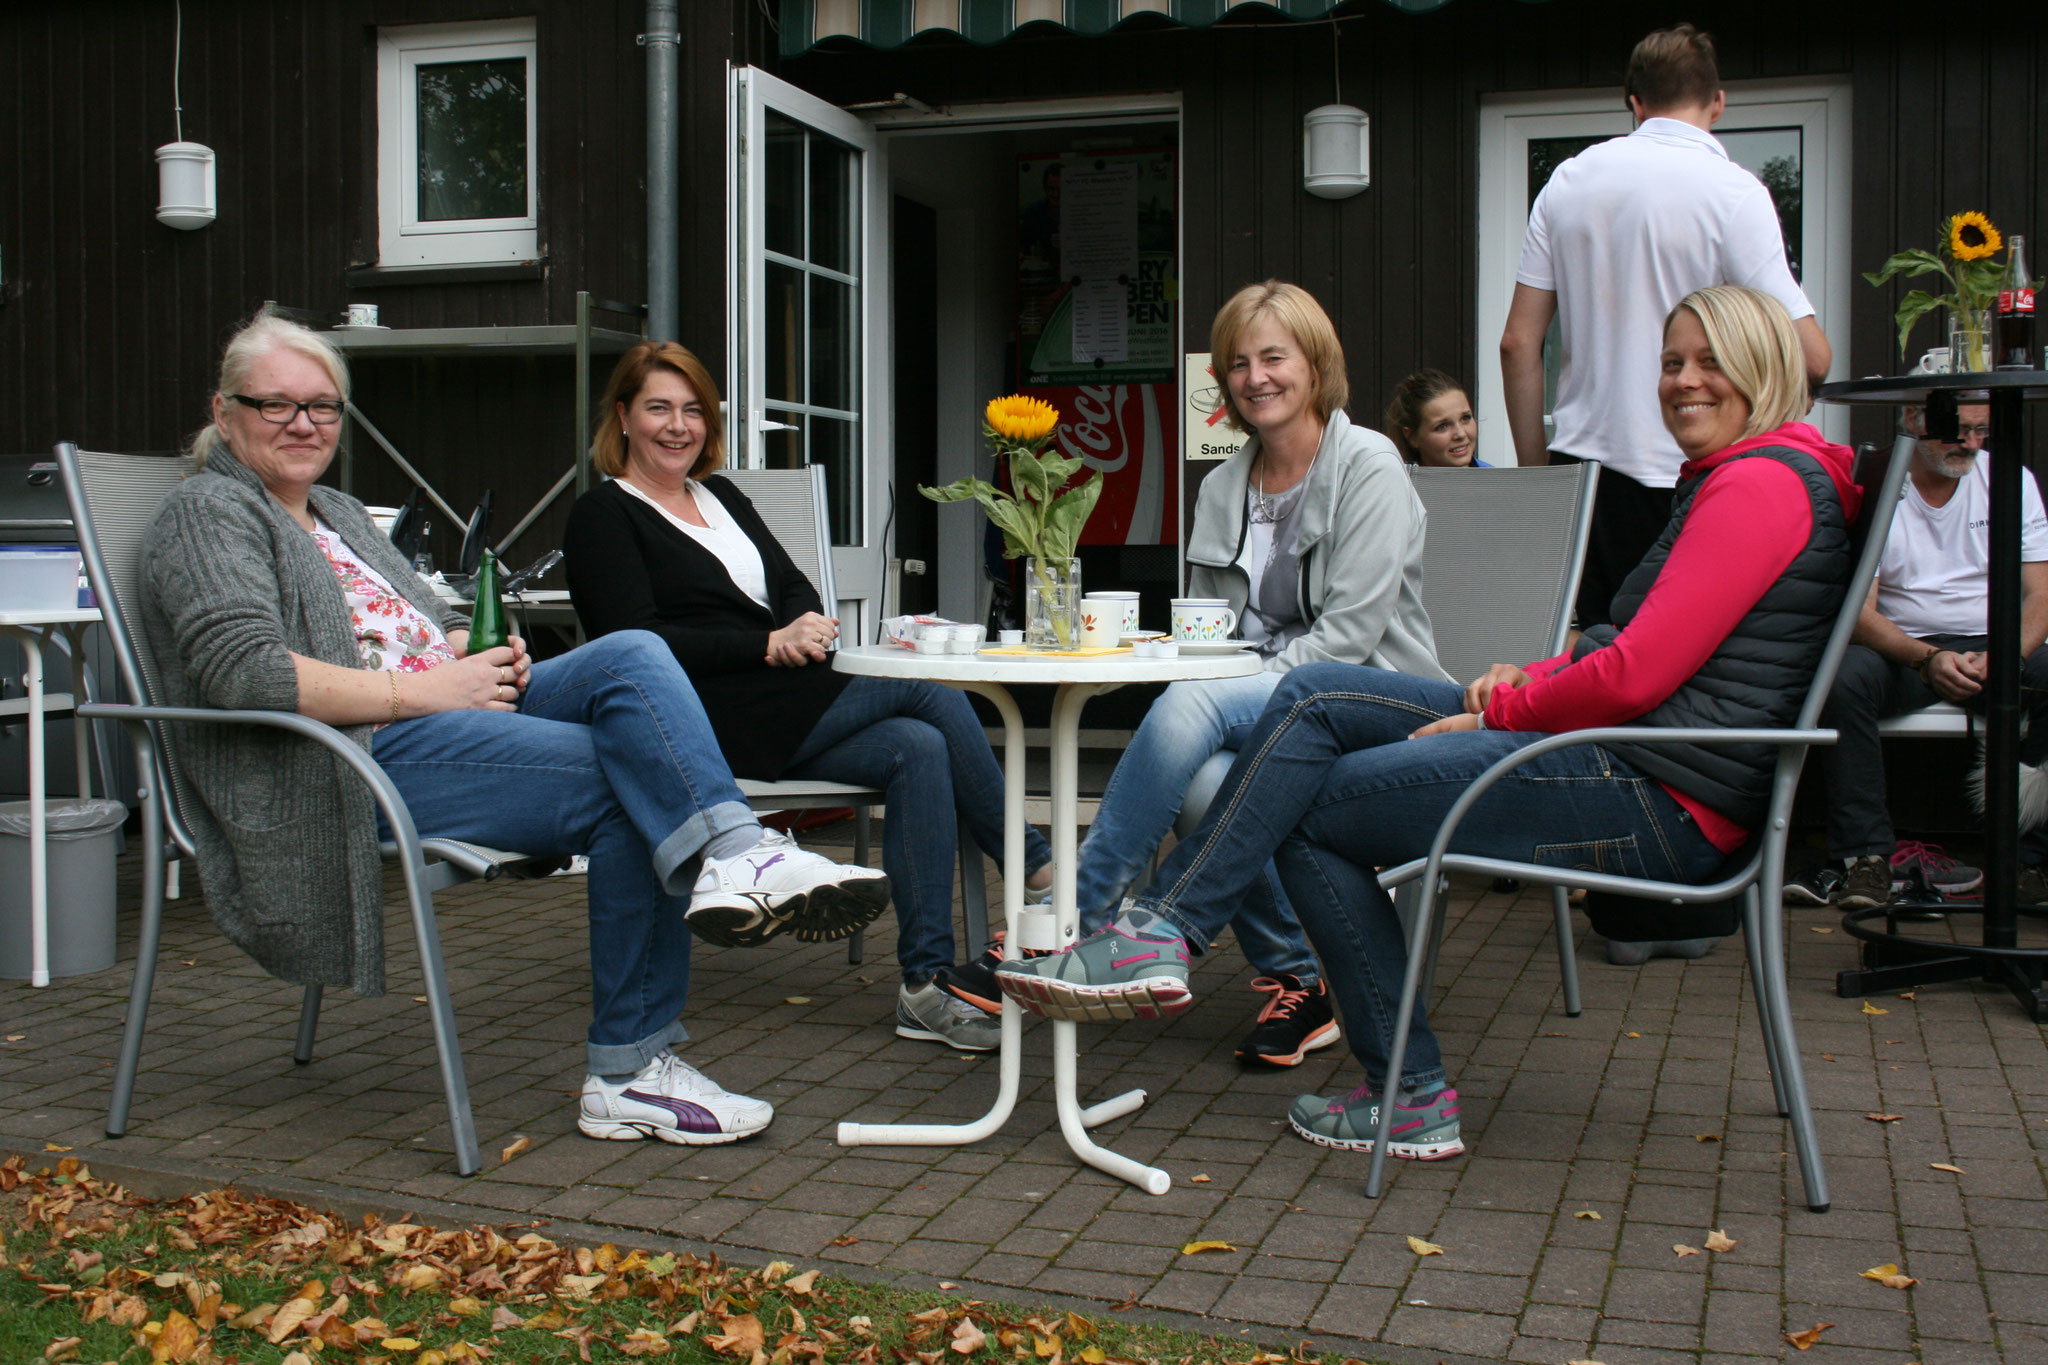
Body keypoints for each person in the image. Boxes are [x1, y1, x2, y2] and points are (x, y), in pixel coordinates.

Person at [998, 286, 1859, 1161]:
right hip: (1628, 756)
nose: (1683, 382)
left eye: (1708, 362)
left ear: (1766, 365)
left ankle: (1242, 982)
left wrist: (1518, 704)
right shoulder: (1749, 478)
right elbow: (1630, 644)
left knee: (1303, 806)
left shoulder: (1757, 487)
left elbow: (1637, 673)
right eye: (1673, 361)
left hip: (1661, 791)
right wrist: (1534, 674)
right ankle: (1163, 936)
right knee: (1317, 695)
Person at [140, 315, 891, 1149]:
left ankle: (735, 853)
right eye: (277, 405)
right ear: (225, 407)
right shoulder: (209, 515)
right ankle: (630, 1070)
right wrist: (429, 688)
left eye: (323, 407)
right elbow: (245, 672)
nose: (305, 424)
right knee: (628, 786)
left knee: (630, 654)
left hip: (441, 707)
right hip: (351, 754)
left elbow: (425, 619)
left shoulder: (336, 511)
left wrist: (465, 648)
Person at [983, 280, 1451, 1069]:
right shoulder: (1224, 486)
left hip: (1373, 703)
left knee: (1194, 706)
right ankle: (1302, 982)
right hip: (1262, 712)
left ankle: (1076, 913)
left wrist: (1213, 683)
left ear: (1316, 365)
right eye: (1238, 363)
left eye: (1274, 357)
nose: (1255, 377)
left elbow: (1346, 641)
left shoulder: (1368, 464)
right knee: (1205, 786)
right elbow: (1211, 634)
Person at [563, 341, 1055, 1055]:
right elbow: (631, 642)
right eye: (659, 408)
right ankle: (1040, 871)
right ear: (623, 417)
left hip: (784, 697)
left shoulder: (721, 495)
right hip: (697, 718)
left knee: (918, 747)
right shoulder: (603, 516)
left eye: (693, 410)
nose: (678, 426)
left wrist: (806, 622)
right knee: (932, 696)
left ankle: (926, 986)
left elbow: (791, 583)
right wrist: (766, 643)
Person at [1499, 22, 1830, 629]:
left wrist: (1536, 481)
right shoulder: (1734, 193)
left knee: (1588, 661)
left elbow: (1519, 342)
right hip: (1689, 472)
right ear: (1718, 102)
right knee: (1680, 662)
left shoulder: (1567, 182)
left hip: (1581, 475)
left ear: (1634, 102)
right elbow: (1812, 360)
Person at [1786, 401, 2044, 911]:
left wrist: (2007, 655)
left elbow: (2040, 594)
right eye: (1957, 431)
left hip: (1994, 643)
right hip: (1902, 648)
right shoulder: (1878, 485)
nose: (1970, 444)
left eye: (1980, 431)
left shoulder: (2009, 479)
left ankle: (2030, 862)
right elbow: (1859, 613)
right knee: (1841, 681)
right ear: (1913, 420)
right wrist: (1926, 659)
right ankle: (1866, 861)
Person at [1385, 371, 1490, 468]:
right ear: (1413, 437)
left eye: (1465, 418)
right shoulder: (1397, 486)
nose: (1461, 434)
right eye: (1442, 426)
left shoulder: (1496, 480)